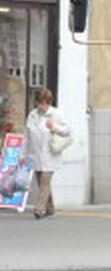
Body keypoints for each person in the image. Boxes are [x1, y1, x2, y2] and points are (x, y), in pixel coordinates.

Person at [25, 88, 69, 219]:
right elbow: (27, 135)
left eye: (45, 103)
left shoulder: (56, 114)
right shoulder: (32, 115)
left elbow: (67, 130)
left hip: (50, 155)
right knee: (41, 181)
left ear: (49, 102)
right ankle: (50, 207)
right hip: (35, 154)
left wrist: (54, 127)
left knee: (45, 180)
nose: (42, 106)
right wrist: (23, 154)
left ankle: (39, 209)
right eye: (40, 102)